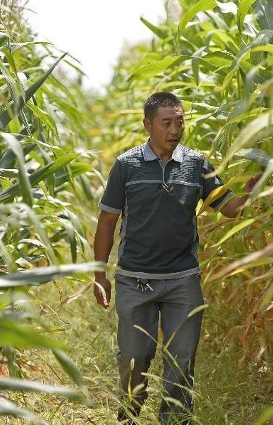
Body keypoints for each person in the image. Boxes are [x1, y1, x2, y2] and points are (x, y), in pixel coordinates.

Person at [93, 92, 261, 424]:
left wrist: (256, 189)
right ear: (148, 125)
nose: (174, 129)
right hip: (135, 280)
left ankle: (176, 420)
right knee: (134, 357)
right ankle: (130, 410)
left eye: (180, 121)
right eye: (166, 123)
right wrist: (100, 274)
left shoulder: (197, 164)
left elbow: (227, 207)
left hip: (183, 282)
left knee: (181, 363)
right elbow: (108, 220)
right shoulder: (126, 166)